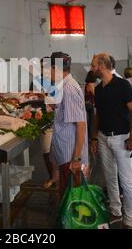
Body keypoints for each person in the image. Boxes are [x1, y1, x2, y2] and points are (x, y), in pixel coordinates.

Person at [90, 53, 132, 229]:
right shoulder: (99, 88)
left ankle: (130, 219)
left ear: (102, 65)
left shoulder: (122, 85)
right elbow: (97, 115)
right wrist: (94, 137)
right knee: (110, 177)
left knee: (126, 180)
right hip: (103, 137)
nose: (92, 68)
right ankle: (116, 211)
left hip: (122, 139)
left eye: (93, 65)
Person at [48, 52, 88, 198]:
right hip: (65, 152)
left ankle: (70, 221)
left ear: (55, 68)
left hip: (70, 155)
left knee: (72, 198)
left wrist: (77, 158)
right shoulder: (63, 86)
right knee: (66, 195)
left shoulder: (69, 88)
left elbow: (81, 125)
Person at [29, 57, 59, 189]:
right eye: (41, 67)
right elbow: (30, 97)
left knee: (61, 150)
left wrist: (45, 97)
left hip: (60, 119)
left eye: (46, 67)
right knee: (47, 150)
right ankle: (52, 176)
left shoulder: (58, 81)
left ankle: (61, 177)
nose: (43, 70)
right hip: (44, 118)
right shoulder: (36, 81)